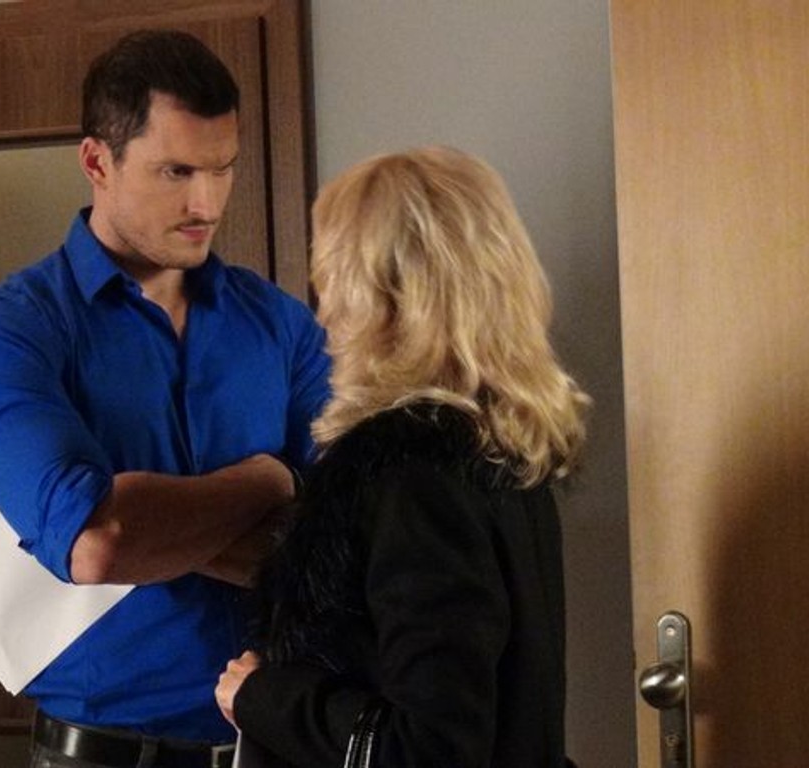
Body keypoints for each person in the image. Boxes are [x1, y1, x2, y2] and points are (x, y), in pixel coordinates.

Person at [0, 29, 331, 768]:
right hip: (104, 752)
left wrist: (160, 528)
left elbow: (347, 548)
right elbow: (99, 543)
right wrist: (273, 478)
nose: (206, 202)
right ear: (98, 161)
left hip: (279, 742)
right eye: (176, 171)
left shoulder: (282, 325)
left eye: (222, 169)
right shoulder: (10, 333)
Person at [215, 146, 591, 767]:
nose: (324, 309)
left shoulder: (410, 476)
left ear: (380, 296)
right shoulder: (499, 451)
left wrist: (263, 696)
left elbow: (430, 748)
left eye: (332, 275)